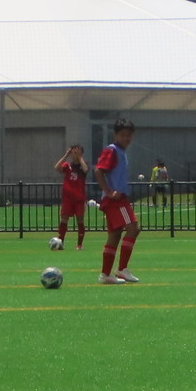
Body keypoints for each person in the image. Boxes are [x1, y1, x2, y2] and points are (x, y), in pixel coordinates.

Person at [94, 119, 141, 283]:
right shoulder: (112, 151)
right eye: (122, 135)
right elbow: (98, 170)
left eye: (129, 135)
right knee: (133, 228)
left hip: (117, 199)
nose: (126, 138)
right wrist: (108, 191)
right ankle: (121, 269)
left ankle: (105, 275)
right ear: (115, 135)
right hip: (116, 200)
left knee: (114, 235)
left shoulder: (121, 152)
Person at [53, 144, 88, 250]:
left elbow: (86, 170)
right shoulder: (67, 166)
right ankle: (60, 242)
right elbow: (57, 167)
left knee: (80, 220)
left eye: (76, 152)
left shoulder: (82, 166)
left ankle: (79, 245)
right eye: (73, 152)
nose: (74, 154)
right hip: (67, 198)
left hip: (79, 199)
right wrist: (65, 155)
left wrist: (80, 157)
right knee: (63, 220)